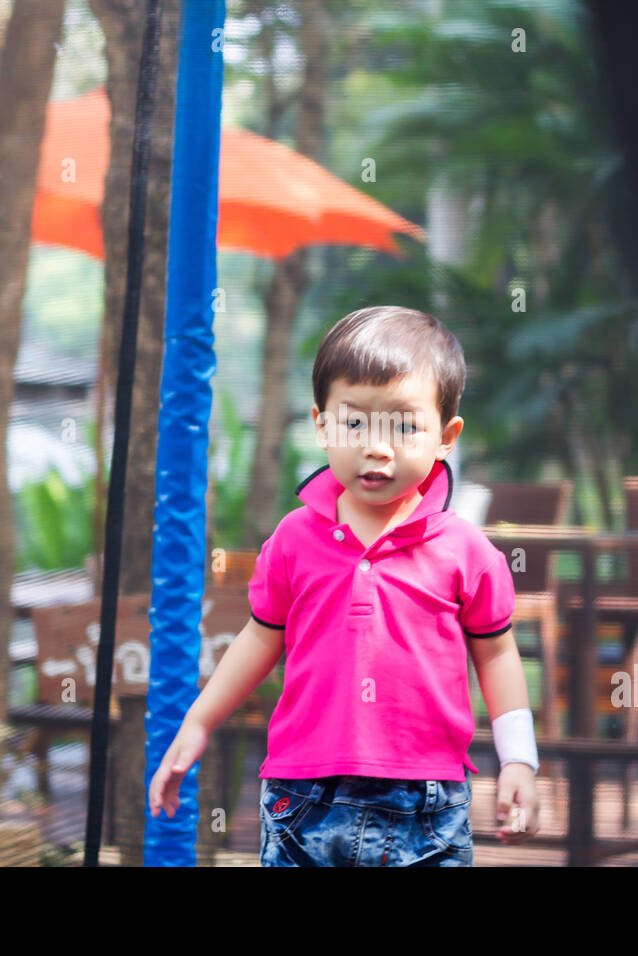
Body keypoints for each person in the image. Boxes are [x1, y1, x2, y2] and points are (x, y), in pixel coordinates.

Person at [148, 305, 541, 866]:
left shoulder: (468, 550)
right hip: (303, 795)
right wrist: (197, 722)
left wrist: (519, 759)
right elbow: (261, 639)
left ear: (447, 435)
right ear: (321, 424)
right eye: (354, 422)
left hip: (426, 800)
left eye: (403, 426)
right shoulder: (292, 538)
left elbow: (498, 655)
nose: (376, 446)